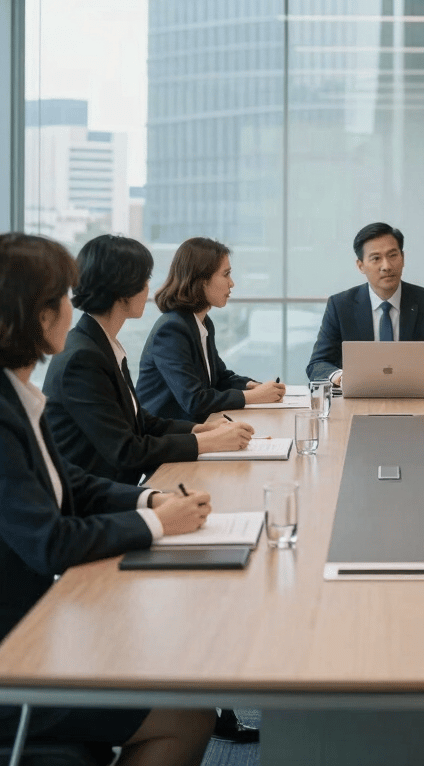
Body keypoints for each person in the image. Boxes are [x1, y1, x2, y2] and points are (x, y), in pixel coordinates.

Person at [0, 232, 215, 766]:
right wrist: (160, 526)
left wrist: (150, 502)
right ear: (37, 315)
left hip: (34, 624)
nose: (73, 308)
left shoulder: (18, 394)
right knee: (188, 715)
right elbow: (50, 542)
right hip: (16, 654)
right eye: (63, 299)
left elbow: (70, 484)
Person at [43, 235, 254, 485]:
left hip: (115, 491)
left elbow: (139, 420)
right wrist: (207, 442)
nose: (149, 290)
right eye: (144, 280)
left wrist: (199, 430)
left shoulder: (99, 344)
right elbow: (126, 450)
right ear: (123, 289)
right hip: (94, 503)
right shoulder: (82, 357)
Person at [137, 238, 285, 423]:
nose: (232, 284)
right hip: (168, 438)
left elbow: (219, 378)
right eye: (226, 274)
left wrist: (251, 386)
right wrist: (254, 397)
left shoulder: (202, 322)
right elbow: (194, 400)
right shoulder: (172, 330)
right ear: (201, 280)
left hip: (198, 428)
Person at [306, 222, 424, 386]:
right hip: (357, 399)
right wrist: (342, 378)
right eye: (376, 258)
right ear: (361, 265)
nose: (386, 266)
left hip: (416, 397)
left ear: (403, 258)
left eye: (393, 255)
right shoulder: (340, 305)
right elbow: (318, 364)